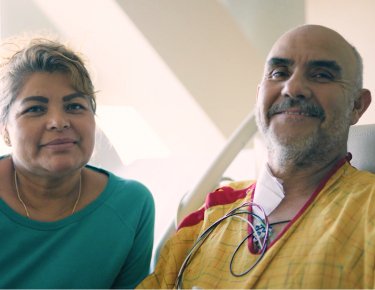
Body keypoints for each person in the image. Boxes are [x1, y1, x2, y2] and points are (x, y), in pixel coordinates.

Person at [137, 24, 374, 289]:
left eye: (321, 74)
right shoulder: (209, 216)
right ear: (258, 94)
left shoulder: (368, 210)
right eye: (279, 73)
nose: (293, 88)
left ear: (357, 106)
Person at [0, 37, 155, 289]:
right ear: (5, 128)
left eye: (74, 106)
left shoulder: (131, 205)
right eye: (35, 109)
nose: (58, 122)